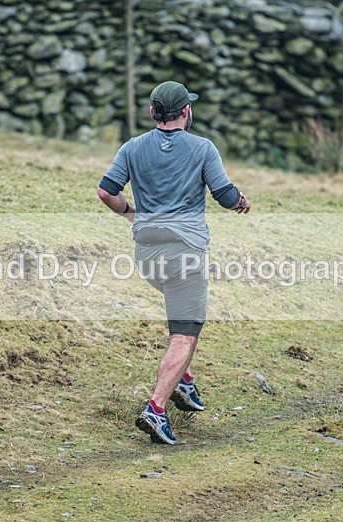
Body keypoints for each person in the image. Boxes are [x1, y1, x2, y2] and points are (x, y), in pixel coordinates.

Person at [97, 81, 250, 444]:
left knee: (182, 320)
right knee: (185, 333)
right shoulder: (203, 148)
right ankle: (157, 408)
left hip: (147, 255)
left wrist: (132, 213)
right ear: (186, 112)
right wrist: (241, 201)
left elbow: (106, 191)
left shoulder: (132, 147)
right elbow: (224, 194)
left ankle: (184, 381)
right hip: (184, 254)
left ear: (153, 113)